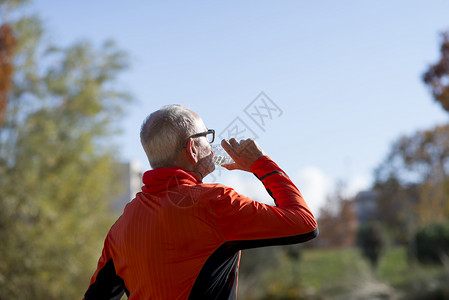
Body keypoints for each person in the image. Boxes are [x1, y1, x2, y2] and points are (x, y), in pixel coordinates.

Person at [83, 104, 318, 300]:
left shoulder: (122, 226)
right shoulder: (215, 202)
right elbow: (304, 223)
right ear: (192, 148)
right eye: (206, 136)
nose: (211, 144)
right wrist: (261, 164)